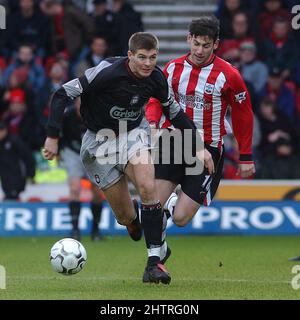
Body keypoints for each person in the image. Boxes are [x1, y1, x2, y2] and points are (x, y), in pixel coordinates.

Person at [43, 32, 208, 284]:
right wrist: (52, 136)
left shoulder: (156, 78)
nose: (147, 63)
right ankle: (134, 220)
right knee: (124, 217)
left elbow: (174, 113)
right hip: (98, 141)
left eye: (152, 57)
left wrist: (197, 146)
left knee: (147, 185)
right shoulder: (106, 72)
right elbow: (61, 94)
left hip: (133, 134)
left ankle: (154, 262)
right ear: (130, 55)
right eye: (141, 57)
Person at [145, 15, 255, 281]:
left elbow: (243, 114)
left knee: (181, 218)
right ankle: (155, 261)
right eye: (196, 44)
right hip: (173, 140)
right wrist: (151, 122)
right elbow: (156, 100)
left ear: (215, 44)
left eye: (206, 45)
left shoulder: (229, 75)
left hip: (208, 147)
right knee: (151, 204)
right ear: (188, 39)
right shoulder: (171, 69)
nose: (199, 50)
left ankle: (172, 207)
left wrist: (245, 156)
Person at [61, 98, 105, 241]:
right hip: (73, 152)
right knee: (74, 188)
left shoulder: (97, 115)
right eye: (80, 102)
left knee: (97, 191)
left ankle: (95, 230)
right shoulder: (67, 115)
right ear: (76, 103)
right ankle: (74, 230)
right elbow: (58, 132)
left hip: (93, 153)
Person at [0, 120, 36, 200]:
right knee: (8, 196)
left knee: (13, 197)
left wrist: (31, 174)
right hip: (5, 178)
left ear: (4, 130)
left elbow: (28, 157)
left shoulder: (14, 141)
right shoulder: (1, 143)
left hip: (17, 176)